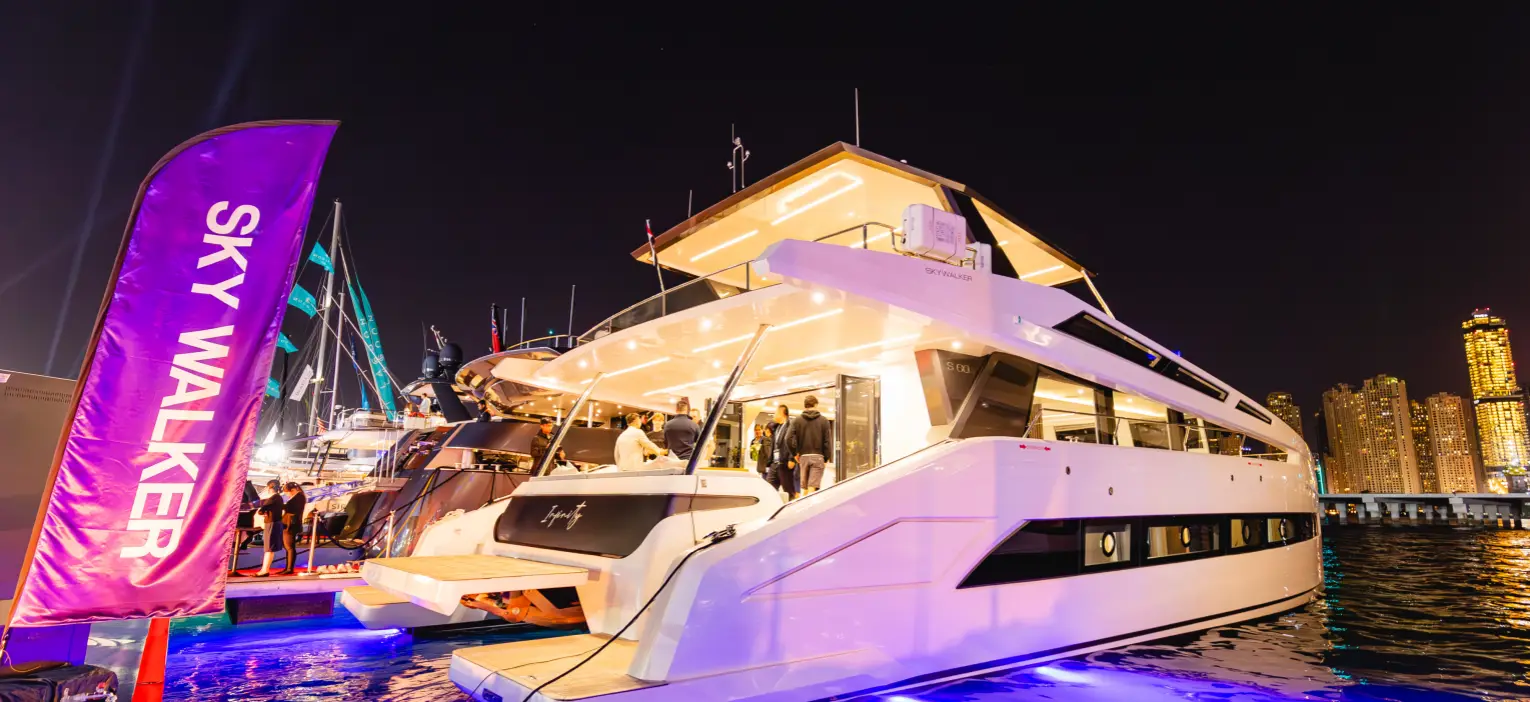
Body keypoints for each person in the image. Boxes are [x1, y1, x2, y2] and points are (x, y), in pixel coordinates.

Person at [787, 396, 832, 495]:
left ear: (805, 405)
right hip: (818, 457)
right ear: (816, 405)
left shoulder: (797, 420)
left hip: (803, 457)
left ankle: (802, 507)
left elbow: (788, 438)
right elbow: (827, 441)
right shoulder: (824, 421)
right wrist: (826, 458)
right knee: (812, 489)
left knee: (806, 488)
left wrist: (794, 454)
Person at [253, 480, 284, 577]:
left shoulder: (274, 498)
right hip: (275, 522)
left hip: (271, 523)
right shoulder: (279, 498)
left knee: (269, 548)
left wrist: (263, 513)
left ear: (270, 488)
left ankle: (265, 570)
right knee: (269, 547)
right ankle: (264, 569)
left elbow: (262, 509)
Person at [279, 482, 307, 575]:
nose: (287, 494)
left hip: (291, 524)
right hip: (288, 523)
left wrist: (280, 505)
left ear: (293, 490)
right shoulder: (297, 497)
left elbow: (291, 509)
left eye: (287, 492)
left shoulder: (299, 497)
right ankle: (288, 567)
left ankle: (289, 568)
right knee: (288, 547)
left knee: (289, 547)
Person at [768, 405, 796, 499]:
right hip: (774, 463)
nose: (774, 415)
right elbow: (770, 426)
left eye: (776, 412)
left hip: (785, 463)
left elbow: (794, 442)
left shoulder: (791, 426)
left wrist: (792, 458)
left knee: (788, 491)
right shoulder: (776, 427)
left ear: (782, 413)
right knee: (769, 488)